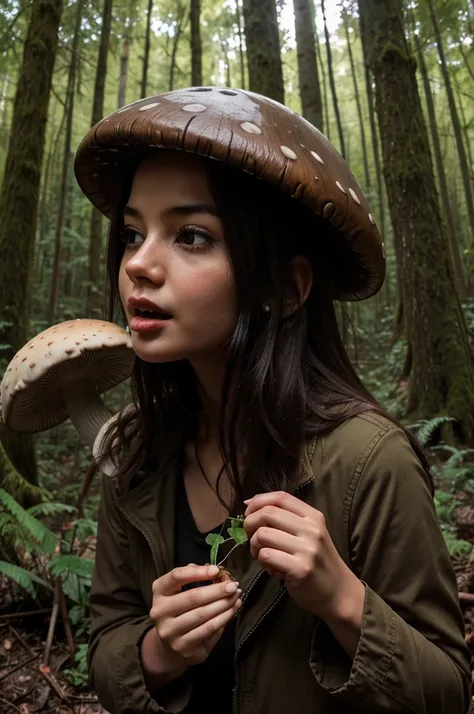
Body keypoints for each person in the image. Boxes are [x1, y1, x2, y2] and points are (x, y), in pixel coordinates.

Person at [74, 87, 472, 714]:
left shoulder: (372, 462)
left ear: (285, 289)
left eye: (192, 235)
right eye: (131, 233)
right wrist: (158, 653)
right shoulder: (136, 456)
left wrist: (344, 598)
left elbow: (447, 692)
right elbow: (106, 643)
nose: (139, 266)